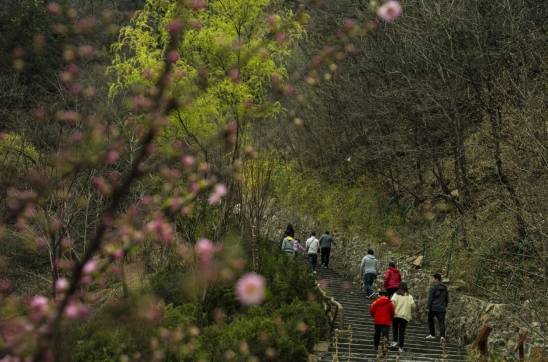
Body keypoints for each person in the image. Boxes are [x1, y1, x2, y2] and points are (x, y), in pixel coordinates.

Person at [390, 282, 416, 353]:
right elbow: (413, 306)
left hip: (396, 314)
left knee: (395, 328)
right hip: (404, 316)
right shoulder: (409, 296)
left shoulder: (396, 294)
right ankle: (401, 348)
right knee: (402, 331)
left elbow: (392, 303)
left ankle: (395, 341)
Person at [425, 273, 449, 342]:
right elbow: (446, 298)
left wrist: (428, 307)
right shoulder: (445, 288)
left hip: (433, 307)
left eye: (433, 278)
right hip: (442, 308)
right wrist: (445, 305)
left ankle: (432, 335)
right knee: (441, 322)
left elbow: (430, 298)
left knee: (430, 319)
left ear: (436, 279)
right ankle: (442, 336)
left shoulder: (433, 287)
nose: (432, 280)